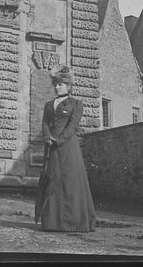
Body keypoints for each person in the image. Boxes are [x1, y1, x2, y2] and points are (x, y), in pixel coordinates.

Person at [36, 66, 96, 232]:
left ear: (68, 86)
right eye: (55, 83)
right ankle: (53, 223)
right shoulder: (49, 104)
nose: (57, 87)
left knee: (71, 181)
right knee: (52, 181)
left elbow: (72, 126)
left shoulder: (76, 104)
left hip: (68, 147)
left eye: (60, 84)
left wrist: (58, 140)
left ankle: (74, 223)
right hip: (51, 148)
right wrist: (47, 137)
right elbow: (45, 123)